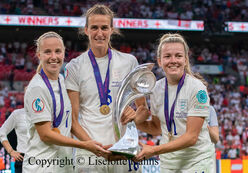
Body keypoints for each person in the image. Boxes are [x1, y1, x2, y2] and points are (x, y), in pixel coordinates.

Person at [65, 4, 140, 173]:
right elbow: (73, 120)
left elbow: (143, 110)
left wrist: (136, 114)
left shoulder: (129, 62)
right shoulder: (74, 67)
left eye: (104, 27)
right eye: (94, 28)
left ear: (112, 29)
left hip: (123, 149)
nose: (100, 33)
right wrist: (91, 145)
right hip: (89, 152)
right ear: (86, 30)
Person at [23, 31, 109, 172]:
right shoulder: (37, 88)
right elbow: (45, 134)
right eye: (47, 52)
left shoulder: (62, 81)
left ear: (64, 53)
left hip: (63, 166)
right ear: (39, 55)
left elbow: (70, 125)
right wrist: (85, 146)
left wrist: (94, 146)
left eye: (58, 51)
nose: (54, 57)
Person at [132, 33, 215, 172]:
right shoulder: (156, 89)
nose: (173, 60)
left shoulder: (197, 88)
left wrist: (154, 150)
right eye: (167, 56)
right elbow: (157, 128)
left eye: (178, 55)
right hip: (168, 164)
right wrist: (135, 121)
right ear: (159, 61)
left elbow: (191, 137)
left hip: (196, 163)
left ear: (186, 60)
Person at [0, 107, 27, 173]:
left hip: (41, 159)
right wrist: (10, 151)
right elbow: (1, 132)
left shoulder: (46, 113)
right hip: (22, 158)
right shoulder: (18, 114)